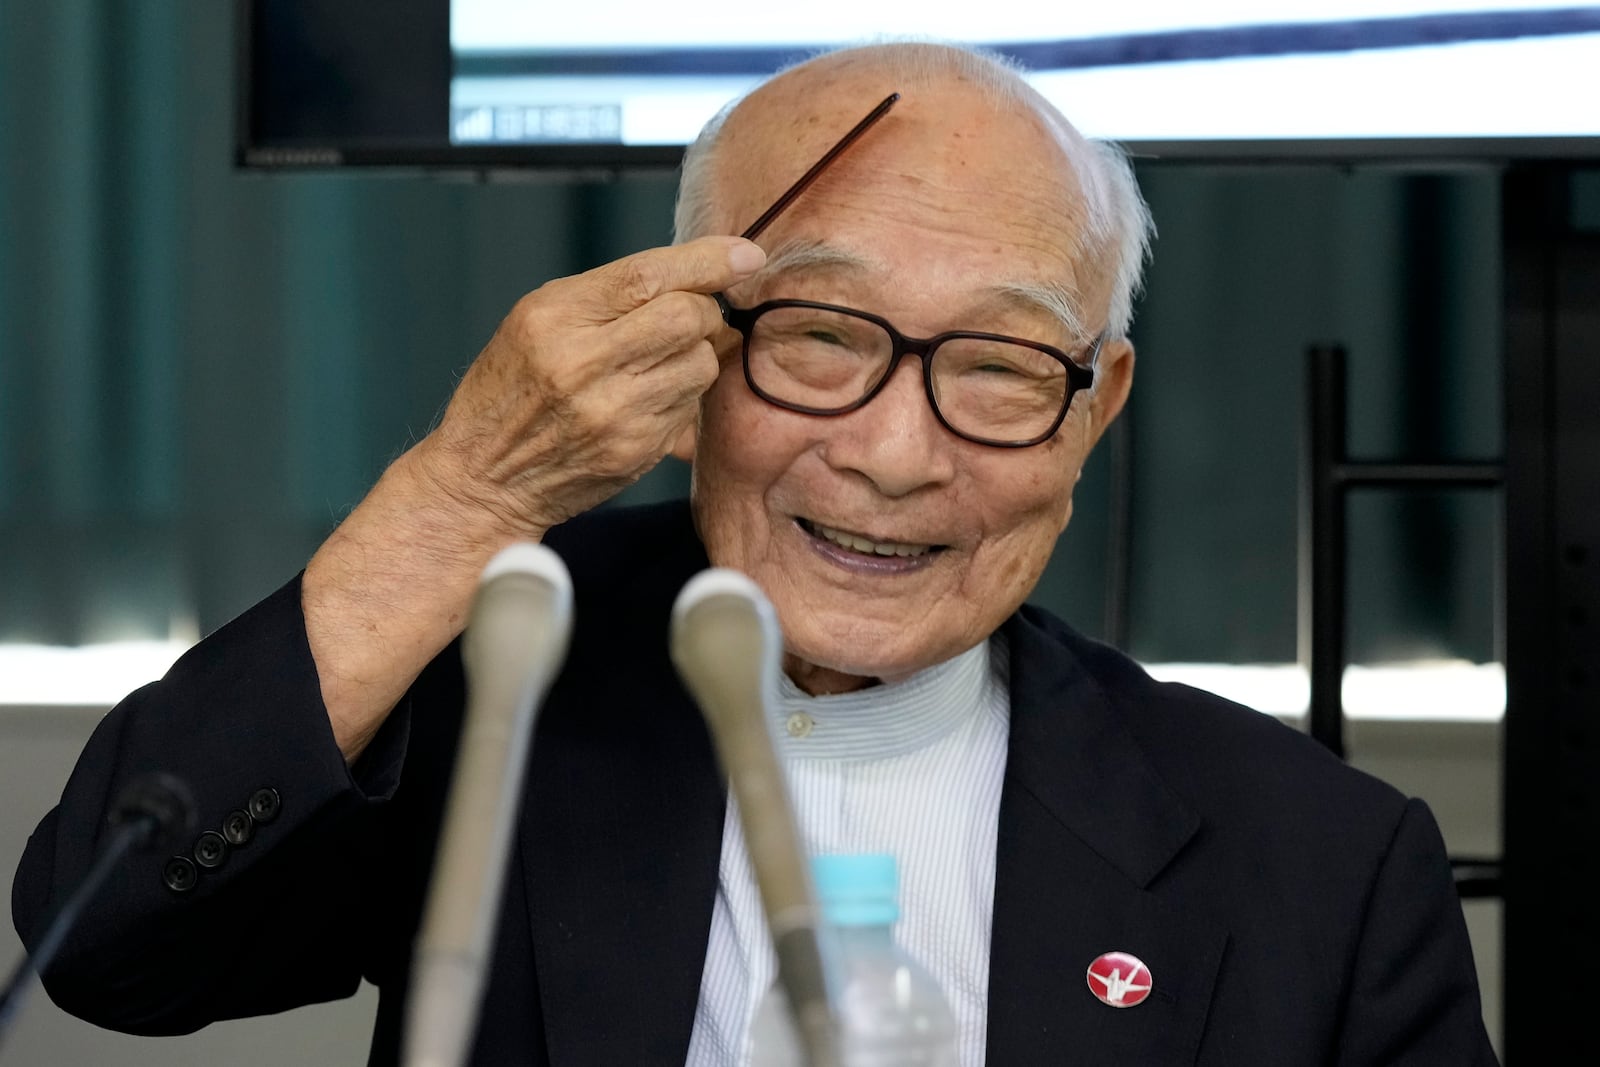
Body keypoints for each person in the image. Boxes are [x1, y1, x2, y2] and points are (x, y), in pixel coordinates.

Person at [12, 42, 1497, 1066]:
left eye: (998, 365)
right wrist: (464, 495)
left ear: (1097, 405)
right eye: (822, 339)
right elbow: (117, 950)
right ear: (687, 356)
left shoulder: (1322, 863)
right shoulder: (500, 676)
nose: (898, 455)